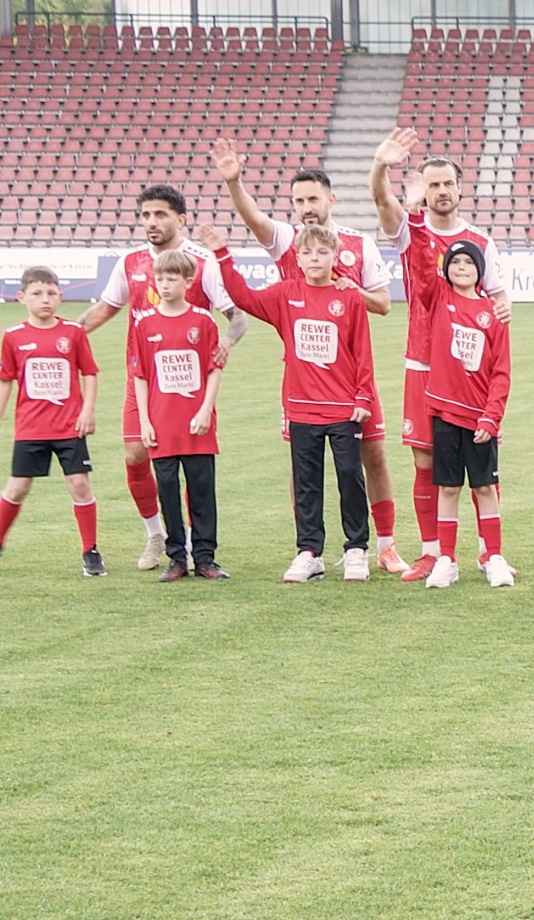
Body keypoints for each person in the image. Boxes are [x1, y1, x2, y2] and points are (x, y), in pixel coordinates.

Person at [210, 139, 407, 574]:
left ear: (330, 199)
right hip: (304, 380)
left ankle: (385, 545)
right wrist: (234, 183)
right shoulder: (288, 239)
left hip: (351, 374)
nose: (305, 208)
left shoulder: (358, 244)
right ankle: (310, 549)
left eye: (312, 199)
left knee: (372, 457)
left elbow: (384, 303)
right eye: (298, 201)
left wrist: (350, 290)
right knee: (304, 465)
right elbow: (255, 219)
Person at [77, 184, 245, 572]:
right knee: (136, 455)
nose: (152, 222)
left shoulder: (202, 263)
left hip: (188, 386)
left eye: (160, 215)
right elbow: (106, 307)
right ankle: (156, 534)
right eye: (146, 215)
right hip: (143, 381)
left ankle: (193, 545)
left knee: (190, 464)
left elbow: (236, 315)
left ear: (180, 219)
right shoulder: (131, 262)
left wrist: (227, 341)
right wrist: (66, 336)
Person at [369, 129, 511, 585]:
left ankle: (491, 553)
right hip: (422, 364)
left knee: (481, 459)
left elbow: (499, 303)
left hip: (469, 369)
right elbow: (381, 203)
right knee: (427, 463)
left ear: (460, 187)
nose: (441, 191)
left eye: (448, 183)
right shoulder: (411, 232)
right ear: (423, 190)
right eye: (433, 184)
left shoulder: (480, 242)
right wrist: (380, 167)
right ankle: (432, 553)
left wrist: (503, 304)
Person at [201, 222, 379, 584]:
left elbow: (362, 351)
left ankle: (356, 549)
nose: (315, 259)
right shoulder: (285, 294)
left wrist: (363, 397)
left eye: (322, 252)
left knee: (350, 475)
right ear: (297, 258)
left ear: (335, 258)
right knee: (306, 482)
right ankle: (309, 552)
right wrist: (222, 253)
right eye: (308, 252)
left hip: (344, 407)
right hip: (301, 407)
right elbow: (243, 296)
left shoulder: (349, 297)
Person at [0, 267, 103, 575]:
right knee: (17, 487)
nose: (45, 300)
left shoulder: (73, 332)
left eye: (52, 293)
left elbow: (90, 373)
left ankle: (91, 551)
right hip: (31, 427)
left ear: (60, 296)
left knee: (80, 484)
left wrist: (88, 410)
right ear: (21, 298)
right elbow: (4, 380)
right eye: (37, 294)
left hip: (69, 425)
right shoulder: (13, 336)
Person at [408, 239, 516, 589]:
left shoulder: (493, 314)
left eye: (469, 263)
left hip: (479, 419)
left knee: (485, 487)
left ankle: (494, 556)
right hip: (444, 414)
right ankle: (447, 560)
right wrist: (415, 217)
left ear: (480, 271)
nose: (462, 268)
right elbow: (422, 267)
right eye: (455, 263)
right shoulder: (439, 297)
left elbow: (501, 372)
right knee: (449, 488)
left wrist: (491, 417)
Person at [128, 250, 226, 582]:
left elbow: (214, 370)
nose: (165, 284)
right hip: (161, 423)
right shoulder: (145, 324)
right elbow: (140, 376)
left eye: (172, 279)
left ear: (188, 282)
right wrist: (144, 420)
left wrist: (204, 410)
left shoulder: (203, 321)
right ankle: (176, 557)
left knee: (202, 491)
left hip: (196, 424)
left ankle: (206, 558)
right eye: (160, 278)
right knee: (167, 490)